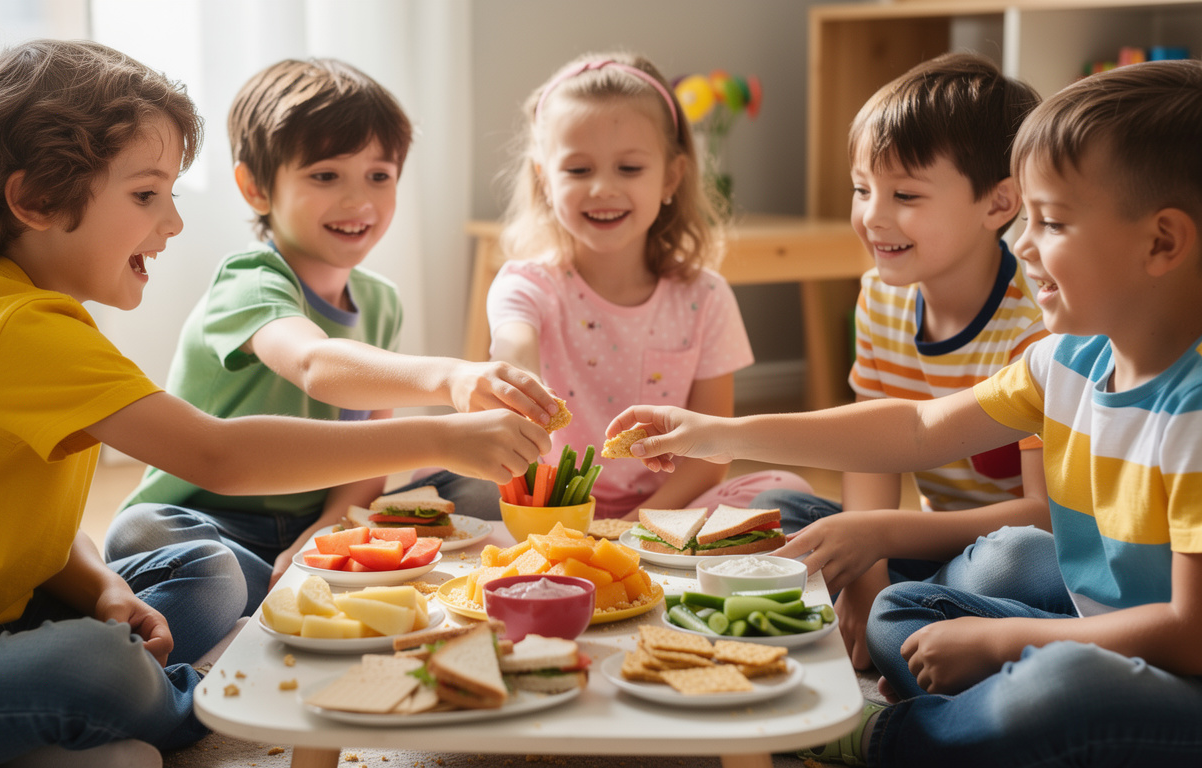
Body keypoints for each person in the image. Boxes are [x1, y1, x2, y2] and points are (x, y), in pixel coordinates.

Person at [0, 41, 548, 768]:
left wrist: (100, 590)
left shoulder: (26, 317)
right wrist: (441, 438)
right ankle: (195, 699)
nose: (174, 223)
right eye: (146, 195)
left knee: (179, 593)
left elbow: (20, 526)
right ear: (34, 201)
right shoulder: (13, 331)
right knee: (99, 667)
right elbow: (218, 455)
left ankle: (75, 721)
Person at [606, 59, 1202, 767]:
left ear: (1161, 242)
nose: (1024, 244)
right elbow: (916, 429)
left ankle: (896, 735)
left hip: (1181, 670)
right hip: (1096, 613)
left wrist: (1008, 641)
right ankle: (987, 715)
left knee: (1059, 684)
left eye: (1052, 222)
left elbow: (1187, 633)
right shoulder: (1068, 362)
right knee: (900, 610)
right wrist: (718, 432)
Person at [103, 58, 559, 614]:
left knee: (480, 491)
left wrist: (327, 531)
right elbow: (315, 365)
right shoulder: (248, 281)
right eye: (325, 176)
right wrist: (451, 377)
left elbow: (370, 447)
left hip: (320, 515)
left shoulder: (381, 300)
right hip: (213, 518)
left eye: (379, 176)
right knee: (147, 536)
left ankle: (300, 583)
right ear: (255, 187)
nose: (357, 201)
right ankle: (286, 590)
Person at [751, 53, 1071, 671]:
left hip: (999, 554)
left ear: (999, 202)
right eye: (862, 189)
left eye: (905, 195)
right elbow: (873, 450)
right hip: (924, 545)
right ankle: (903, 617)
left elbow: (1045, 519)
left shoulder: (1035, 323)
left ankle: (941, 629)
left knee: (1017, 556)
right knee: (777, 511)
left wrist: (880, 542)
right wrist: (866, 580)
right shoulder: (879, 296)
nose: (873, 216)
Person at [486, 52, 809, 521]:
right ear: (544, 180)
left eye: (629, 169)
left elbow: (708, 455)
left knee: (788, 492)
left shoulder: (707, 298)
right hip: (547, 504)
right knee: (445, 485)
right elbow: (512, 349)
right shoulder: (526, 283)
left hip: (666, 508)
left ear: (670, 177)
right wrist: (514, 380)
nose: (602, 188)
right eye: (578, 170)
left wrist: (633, 526)